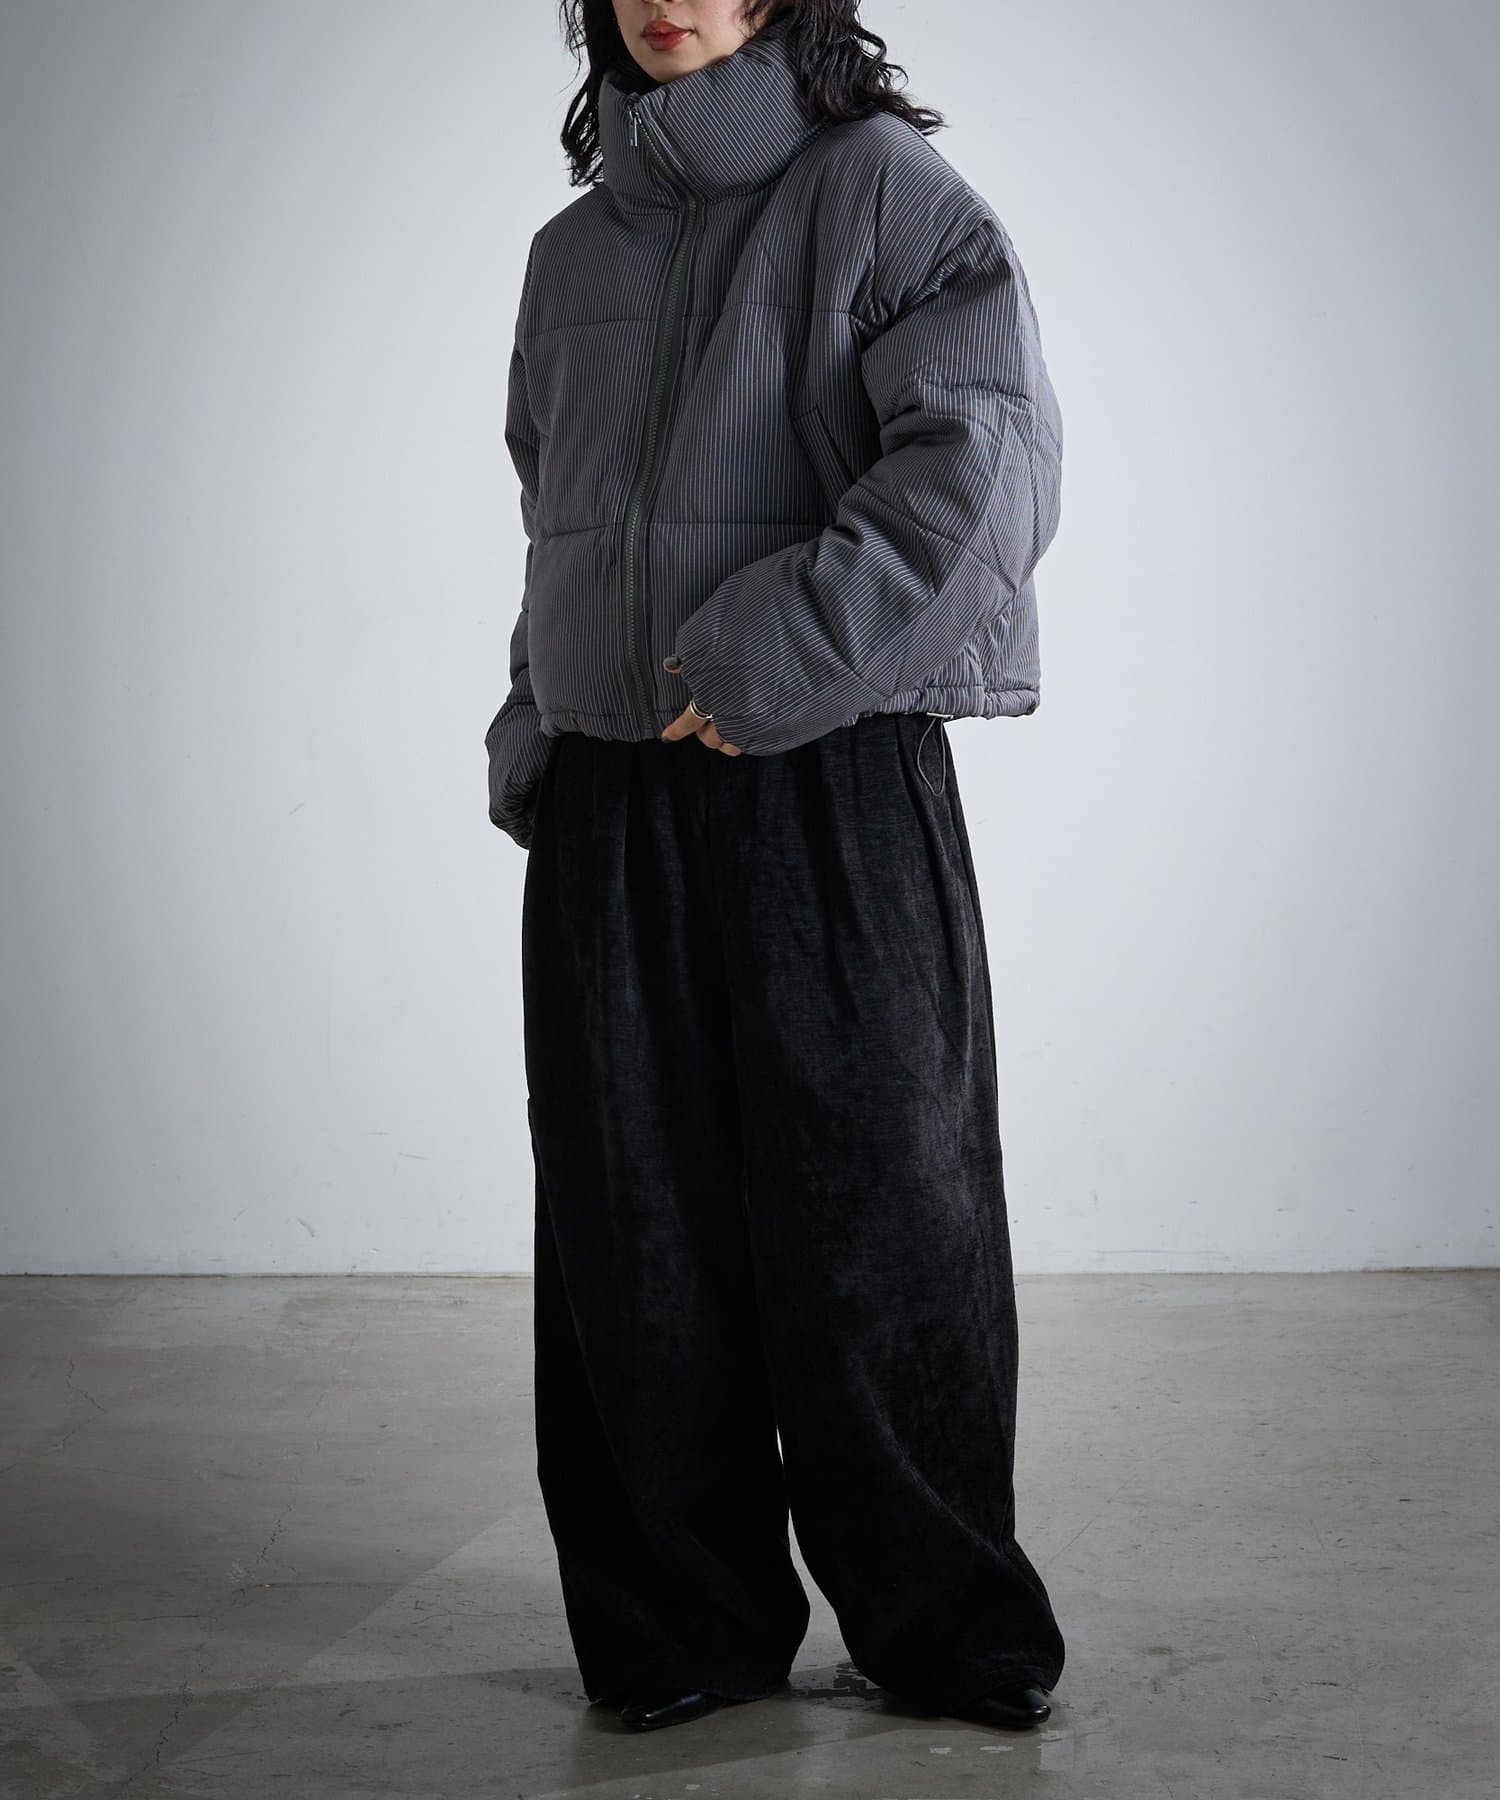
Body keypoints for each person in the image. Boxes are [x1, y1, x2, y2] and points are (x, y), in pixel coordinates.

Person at [484, 0, 1068, 1735]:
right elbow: (561, 511)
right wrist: (538, 708)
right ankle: (681, 1627)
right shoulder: (569, 254)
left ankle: (945, 1623)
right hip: (612, 786)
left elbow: (985, 467)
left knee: (882, 1208)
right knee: (628, 1223)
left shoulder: (882, 191)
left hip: (828, 767)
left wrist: (773, 655)